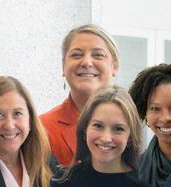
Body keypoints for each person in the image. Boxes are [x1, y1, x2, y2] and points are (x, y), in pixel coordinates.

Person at [41, 24, 120, 167]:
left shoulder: (129, 123)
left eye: (98, 55)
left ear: (115, 66)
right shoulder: (42, 129)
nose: (87, 62)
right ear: (63, 66)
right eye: (76, 55)